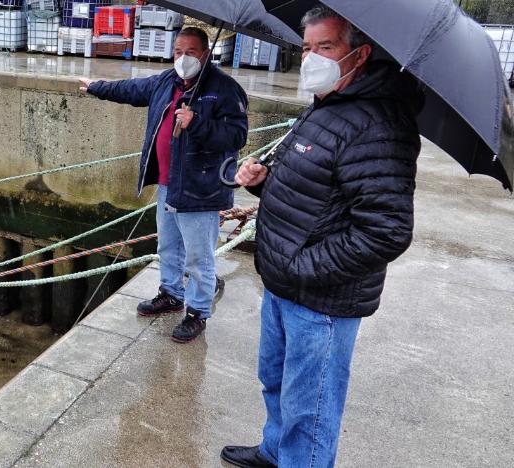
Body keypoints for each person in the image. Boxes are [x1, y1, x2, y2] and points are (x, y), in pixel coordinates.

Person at [221, 6, 424, 468]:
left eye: (326, 47)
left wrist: (302, 267)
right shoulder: (328, 105)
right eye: (308, 48)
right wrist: (261, 181)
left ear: (360, 53)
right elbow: (315, 190)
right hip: (284, 284)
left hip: (321, 300)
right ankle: (276, 451)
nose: (312, 57)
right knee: (275, 380)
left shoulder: (378, 124)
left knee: (309, 411)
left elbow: (386, 231)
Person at [79, 27, 248, 343]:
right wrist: (97, 87)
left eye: (191, 52)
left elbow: (237, 136)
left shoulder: (225, 89)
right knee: (168, 245)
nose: (183, 58)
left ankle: (197, 313)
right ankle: (171, 292)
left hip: (201, 189)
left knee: (199, 257)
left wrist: (196, 122)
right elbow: (132, 90)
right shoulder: (166, 81)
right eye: (178, 52)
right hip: (169, 184)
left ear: (206, 54)